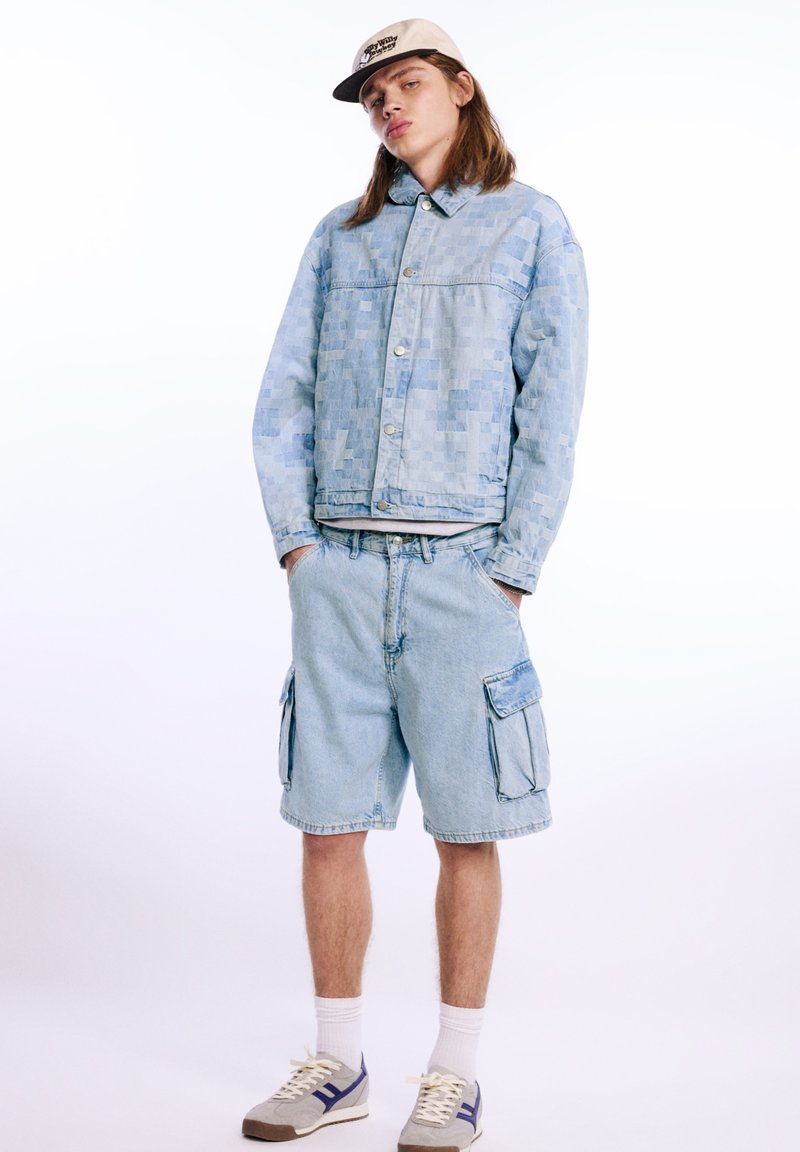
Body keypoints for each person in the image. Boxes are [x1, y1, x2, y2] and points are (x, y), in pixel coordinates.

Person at [243, 17, 588, 1150]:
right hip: (338, 570)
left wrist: (508, 574)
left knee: (466, 830)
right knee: (326, 824)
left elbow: (550, 411)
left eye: (405, 83)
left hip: (460, 574)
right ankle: (336, 1063)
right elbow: (283, 397)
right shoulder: (337, 239)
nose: (387, 105)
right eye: (372, 95)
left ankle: (454, 1074)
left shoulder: (530, 226)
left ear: (460, 87)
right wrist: (299, 549)